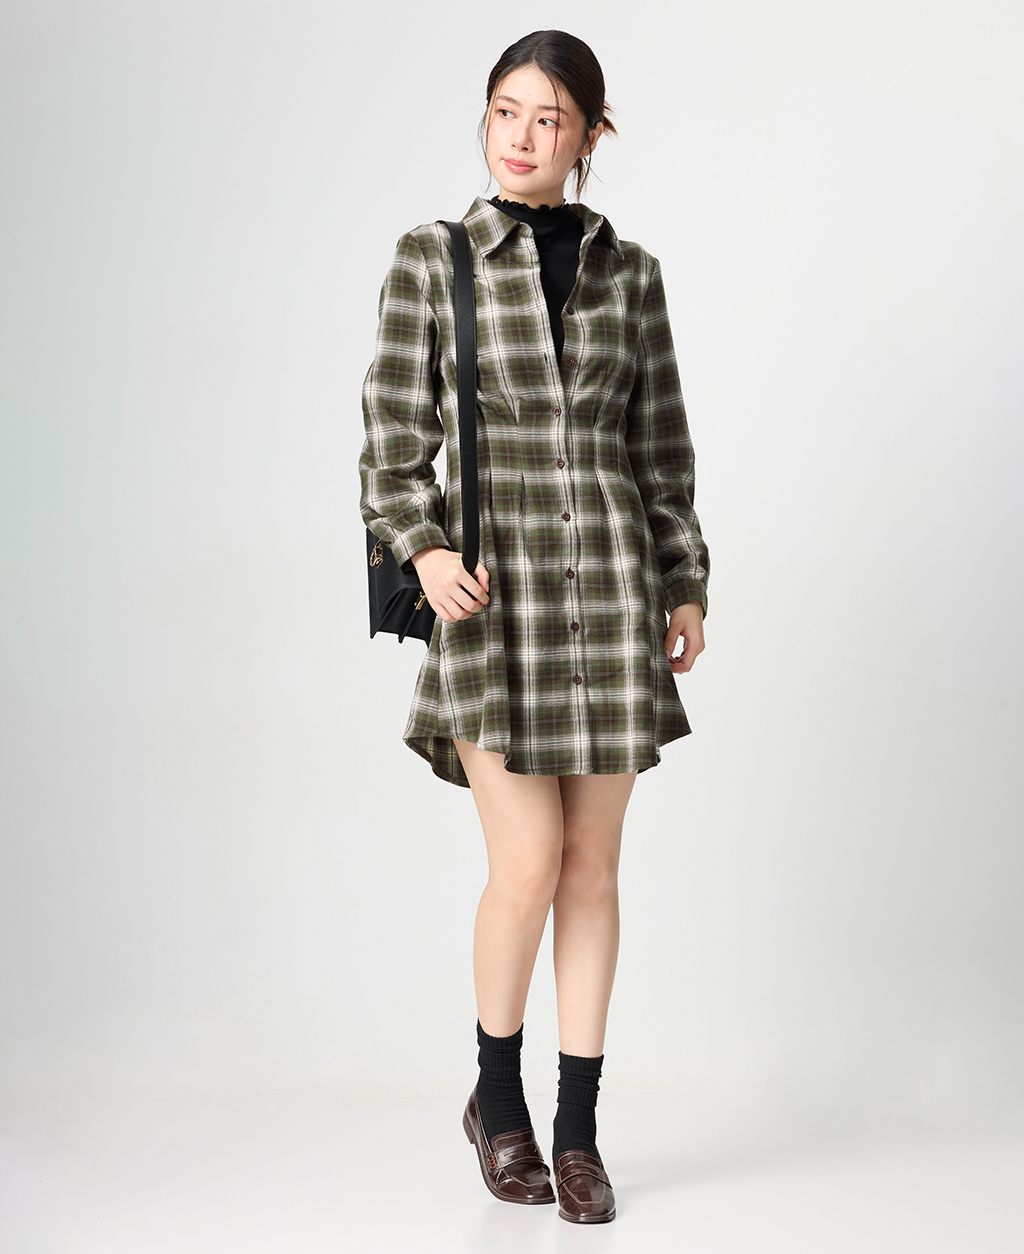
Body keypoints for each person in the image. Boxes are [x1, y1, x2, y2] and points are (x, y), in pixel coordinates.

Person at [359, 29, 709, 1225]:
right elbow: (390, 445)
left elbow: (660, 450)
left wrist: (684, 581)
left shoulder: (632, 276)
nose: (520, 137)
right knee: (525, 865)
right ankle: (496, 1102)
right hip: (494, 607)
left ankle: (577, 1131)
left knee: (593, 868)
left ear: (590, 135)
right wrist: (424, 547)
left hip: (610, 596)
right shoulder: (435, 259)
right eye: (505, 110)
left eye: (548, 118)